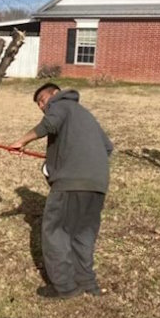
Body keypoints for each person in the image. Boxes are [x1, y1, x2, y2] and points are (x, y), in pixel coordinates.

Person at [10, 82, 113, 299]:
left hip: (71, 183)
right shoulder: (85, 115)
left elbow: (49, 124)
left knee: (55, 231)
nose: (42, 106)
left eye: (43, 100)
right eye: (39, 104)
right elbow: (107, 147)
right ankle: (87, 282)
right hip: (97, 184)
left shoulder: (60, 104)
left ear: (55, 94)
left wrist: (21, 141)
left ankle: (65, 287)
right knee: (83, 233)